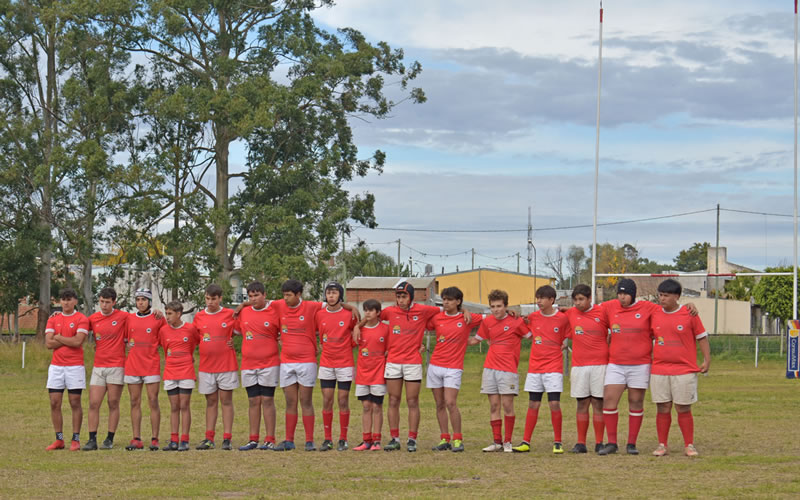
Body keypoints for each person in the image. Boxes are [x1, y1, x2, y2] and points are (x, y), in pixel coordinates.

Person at [271, 279, 357, 451]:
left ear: (298, 295)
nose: (285, 298)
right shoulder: (278, 305)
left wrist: (352, 307)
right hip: (287, 362)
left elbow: (334, 305)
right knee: (290, 401)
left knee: (306, 401)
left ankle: (310, 441)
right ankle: (289, 440)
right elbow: (257, 303)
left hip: (307, 361)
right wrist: (241, 305)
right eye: (284, 295)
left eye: (289, 295)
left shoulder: (313, 307)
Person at [355, 281, 441, 452]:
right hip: (393, 362)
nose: (401, 300)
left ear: (411, 297)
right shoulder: (390, 311)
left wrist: (465, 310)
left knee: (412, 401)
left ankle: (412, 439)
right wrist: (359, 325)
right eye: (398, 296)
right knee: (393, 400)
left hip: (413, 362)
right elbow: (373, 315)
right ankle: (394, 438)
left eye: (404, 296)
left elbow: (445, 310)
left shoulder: (423, 310)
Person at [649, 279, 710, 457]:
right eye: (660, 295)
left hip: (685, 370)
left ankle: (689, 445)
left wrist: (707, 359)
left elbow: (702, 337)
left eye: (666, 295)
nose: (662, 299)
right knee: (662, 407)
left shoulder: (689, 313)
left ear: (677, 297)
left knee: (683, 407)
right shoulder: (653, 313)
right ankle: (662, 445)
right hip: (659, 369)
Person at [470, 289, 531, 453]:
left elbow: (531, 336)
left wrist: (526, 319)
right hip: (490, 368)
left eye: (499, 306)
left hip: (508, 370)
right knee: (494, 405)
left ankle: (508, 442)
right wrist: (455, 339)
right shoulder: (487, 322)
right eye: (492, 307)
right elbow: (476, 340)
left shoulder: (516, 321)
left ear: (506, 306)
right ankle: (497, 442)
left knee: (507, 405)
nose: (496, 310)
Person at [513, 285, 570, 454]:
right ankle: (525, 442)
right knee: (533, 403)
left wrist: (562, 345)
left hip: (553, 367)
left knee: (554, 403)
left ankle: (558, 442)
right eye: (537, 298)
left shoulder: (562, 318)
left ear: (551, 300)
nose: (538, 301)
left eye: (542, 298)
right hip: (535, 368)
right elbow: (524, 329)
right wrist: (515, 316)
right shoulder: (533, 317)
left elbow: (567, 336)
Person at [426, 286, 482, 452]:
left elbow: (492, 321)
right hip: (435, 365)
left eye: (449, 300)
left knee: (451, 402)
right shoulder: (437, 318)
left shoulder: (468, 318)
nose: (446, 303)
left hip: (453, 367)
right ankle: (444, 439)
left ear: (458, 301)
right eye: (444, 299)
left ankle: (458, 439)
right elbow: (423, 324)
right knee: (439, 404)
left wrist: (478, 338)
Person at [563, 284, 609, 454]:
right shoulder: (570, 313)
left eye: (581, 299)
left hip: (600, 364)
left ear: (590, 298)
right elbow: (548, 314)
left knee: (598, 402)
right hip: (579, 365)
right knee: (582, 403)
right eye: (575, 300)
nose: (578, 303)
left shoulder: (603, 312)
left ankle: (599, 442)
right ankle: (580, 443)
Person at [234, 281, 280, 451]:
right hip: (248, 364)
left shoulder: (274, 311)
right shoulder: (244, 312)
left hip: (269, 363)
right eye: (250, 296)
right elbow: (235, 332)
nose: (253, 299)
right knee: (253, 401)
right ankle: (253, 439)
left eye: (256, 295)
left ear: (264, 295)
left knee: (267, 400)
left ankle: (270, 439)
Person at [194, 284, 239, 451]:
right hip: (206, 367)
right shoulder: (199, 316)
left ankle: (227, 438)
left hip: (226, 365)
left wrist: (232, 339)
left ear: (220, 298)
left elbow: (240, 330)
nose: (210, 302)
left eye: (213, 299)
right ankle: (209, 438)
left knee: (226, 401)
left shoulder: (230, 314)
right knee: (210, 402)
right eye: (207, 298)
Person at [83, 287, 128, 451]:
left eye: (107, 302)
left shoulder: (123, 317)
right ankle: (91, 439)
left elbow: (141, 320)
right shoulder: (93, 318)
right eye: (101, 302)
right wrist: (57, 316)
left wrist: (156, 313)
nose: (104, 305)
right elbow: (78, 326)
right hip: (99, 366)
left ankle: (109, 438)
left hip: (117, 365)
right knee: (94, 403)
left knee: (113, 402)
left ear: (114, 302)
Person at [44, 288, 89, 451]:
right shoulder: (53, 319)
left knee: (74, 402)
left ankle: (75, 439)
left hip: (75, 366)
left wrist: (58, 336)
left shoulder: (81, 319)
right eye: (63, 299)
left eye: (69, 299)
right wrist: (66, 339)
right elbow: (48, 344)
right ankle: (59, 439)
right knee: (54, 402)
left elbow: (77, 342)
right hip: (56, 367)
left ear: (75, 301)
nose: (66, 302)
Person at [315, 282, 357, 451]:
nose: (331, 296)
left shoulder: (350, 314)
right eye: (328, 293)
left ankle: (343, 438)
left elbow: (357, 333)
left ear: (340, 295)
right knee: (327, 400)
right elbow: (318, 333)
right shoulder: (319, 314)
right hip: (326, 363)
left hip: (345, 363)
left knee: (343, 400)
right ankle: (327, 439)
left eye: (334, 293)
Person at [123, 288, 165, 451]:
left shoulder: (157, 318)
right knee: (134, 401)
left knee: (153, 400)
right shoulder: (130, 318)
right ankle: (136, 438)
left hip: (151, 365)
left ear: (149, 301)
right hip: (133, 366)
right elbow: (127, 340)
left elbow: (167, 337)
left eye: (143, 299)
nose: (140, 302)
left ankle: (155, 438)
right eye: (138, 299)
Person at [159, 300, 199, 451]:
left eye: (170, 314)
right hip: (170, 372)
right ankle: (174, 439)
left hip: (186, 371)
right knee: (174, 406)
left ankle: (185, 440)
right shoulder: (163, 331)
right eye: (166, 313)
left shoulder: (190, 329)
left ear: (179, 314)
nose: (167, 317)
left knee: (184, 405)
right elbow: (164, 347)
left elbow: (195, 343)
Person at [352, 299, 389, 451]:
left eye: (371, 310)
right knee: (366, 406)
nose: (367, 313)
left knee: (376, 406)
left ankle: (377, 440)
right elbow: (351, 344)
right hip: (362, 373)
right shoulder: (359, 330)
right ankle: (366, 440)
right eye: (365, 310)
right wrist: (356, 327)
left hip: (378, 374)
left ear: (378, 312)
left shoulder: (385, 329)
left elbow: (392, 347)